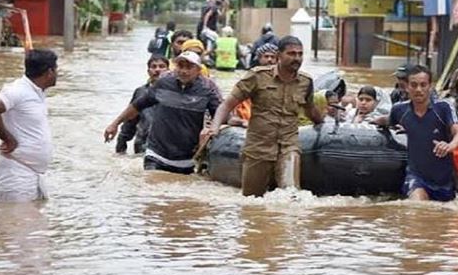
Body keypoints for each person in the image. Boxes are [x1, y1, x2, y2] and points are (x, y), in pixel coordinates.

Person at [202, 35, 324, 196]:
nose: (297, 58)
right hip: (258, 147)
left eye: (300, 54)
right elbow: (227, 104)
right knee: (252, 200)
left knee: (292, 194)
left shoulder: (305, 81)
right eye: (292, 54)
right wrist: (215, 127)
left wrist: (323, 124)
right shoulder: (257, 76)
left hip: (288, 146)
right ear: (279, 56)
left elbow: (310, 109)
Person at [104, 51, 221, 174]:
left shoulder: (207, 90)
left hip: (187, 159)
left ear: (198, 70)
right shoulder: (163, 84)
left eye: (189, 67)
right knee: (151, 188)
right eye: (180, 66)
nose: (184, 71)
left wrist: (214, 129)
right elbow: (137, 106)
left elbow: (220, 114)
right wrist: (115, 124)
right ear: (175, 68)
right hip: (156, 154)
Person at [372, 65, 458, 202]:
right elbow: (387, 120)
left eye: (423, 85)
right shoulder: (400, 110)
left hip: (444, 180)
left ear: (430, 86)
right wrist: (369, 121)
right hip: (416, 177)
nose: (418, 90)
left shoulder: (444, 107)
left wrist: (450, 146)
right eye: (414, 85)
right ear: (406, 87)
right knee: (418, 207)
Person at [0, 50, 58, 202]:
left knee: (33, 223)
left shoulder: (36, 92)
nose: (57, 74)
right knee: (14, 223)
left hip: (33, 174)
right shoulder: (18, 90)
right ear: (49, 72)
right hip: (16, 173)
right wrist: (8, 139)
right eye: (56, 69)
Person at [115, 55, 170, 154]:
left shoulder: (175, 93)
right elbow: (131, 119)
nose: (157, 70)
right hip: (143, 144)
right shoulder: (140, 92)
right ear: (148, 71)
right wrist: (121, 142)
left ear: (169, 70)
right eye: (154, 67)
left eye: (162, 66)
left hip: (166, 145)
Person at [227, 43, 279, 128]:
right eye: (266, 56)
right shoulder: (249, 78)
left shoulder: (282, 80)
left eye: (273, 57)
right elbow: (233, 109)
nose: (269, 60)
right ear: (259, 59)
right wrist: (243, 121)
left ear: (277, 60)